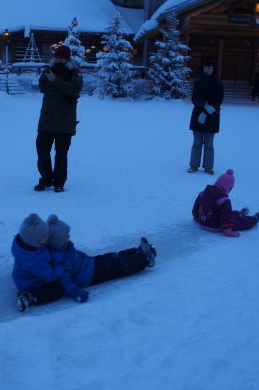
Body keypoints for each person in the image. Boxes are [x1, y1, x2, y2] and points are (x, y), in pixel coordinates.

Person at [47, 215, 157, 288]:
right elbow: (65, 280)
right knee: (118, 265)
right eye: (66, 236)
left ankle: (137, 251)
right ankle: (145, 259)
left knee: (112, 256)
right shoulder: (61, 259)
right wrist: (76, 292)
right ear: (59, 241)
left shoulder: (63, 248)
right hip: (90, 275)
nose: (69, 236)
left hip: (89, 264)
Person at [12, 213, 89, 312]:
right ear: (35, 241)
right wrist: (62, 267)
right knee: (57, 290)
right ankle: (29, 297)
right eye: (44, 237)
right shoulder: (34, 260)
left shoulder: (31, 246)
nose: (48, 237)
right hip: (30, 283)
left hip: (24, 275)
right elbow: (50, 276)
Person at [34, 45, 83, 193]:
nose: (59, 59)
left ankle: (59, 183)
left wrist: (55, 81)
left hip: (65, 121)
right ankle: (46, 180)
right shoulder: (49, 70)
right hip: (47, 120)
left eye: (62, 57)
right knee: (42, 150)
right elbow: (42, 87)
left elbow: (74, 89)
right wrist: (63, 88)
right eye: (58, 56)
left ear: (67, 57)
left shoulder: (75, 72)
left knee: (61, 154)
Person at [191, 169, 259, 238]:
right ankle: (252, 220)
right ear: (229, 188)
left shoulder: (204, 193)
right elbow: (225, 219)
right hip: (215, 225)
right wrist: (228, 231)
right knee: (237, 222)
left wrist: (196, 216)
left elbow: (196, 206)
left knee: (230, 213)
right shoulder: (224, 201)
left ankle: (239, 214)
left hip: (202, 221)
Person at [188, 60, 224, 175]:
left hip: (212, 116)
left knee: (209, 143)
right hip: (198, 114)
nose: (207, 69)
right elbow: (194, 98)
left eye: (209, 67)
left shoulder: (218, 83)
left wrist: (211, 107)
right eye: (205, 67)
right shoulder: (198, 82)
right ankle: (194, 165)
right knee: (197, 142)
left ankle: (208, 166)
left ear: (213, 69)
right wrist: (203, 105)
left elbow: (220, 98)